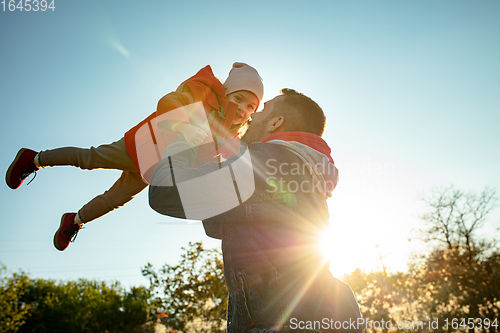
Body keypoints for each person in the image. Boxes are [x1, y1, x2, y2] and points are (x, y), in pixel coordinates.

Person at [149, 89, 362, 332]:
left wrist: (187, 137)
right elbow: (216, 221)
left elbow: (165, 190)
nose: (251, 116)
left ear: (275, 122)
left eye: (260, 110)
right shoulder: (305, 175)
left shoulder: (267, 161)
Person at [5, 63, 264, 251]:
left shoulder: (230, 135)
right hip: (142, 146)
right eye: (240, 98)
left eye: (250, 107)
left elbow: (221, 161)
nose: (243, 109)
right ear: (227, 91)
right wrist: (182, 125)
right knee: (90, 159)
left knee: (115, 200)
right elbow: (169, 101)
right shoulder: (204, 92)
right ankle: (34, 158)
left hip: (154, 168)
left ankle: (73, 221)